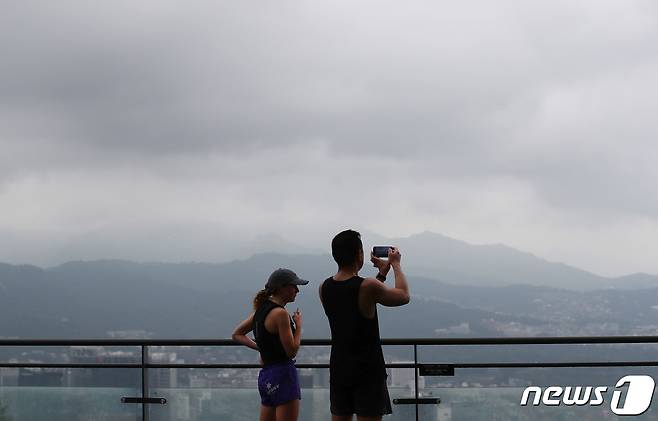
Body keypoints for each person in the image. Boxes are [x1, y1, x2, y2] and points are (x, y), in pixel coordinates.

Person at [320, 229, 410, 421]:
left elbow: (354, 303)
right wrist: (395, 265)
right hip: (367, 370)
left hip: (339, 368)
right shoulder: (367, 286)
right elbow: (403, 296)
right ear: (358, 254)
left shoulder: (324, 288)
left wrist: (381, 275)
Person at [232, 268, 308, 421]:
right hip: (283, 374)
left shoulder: (261, 310)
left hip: (266, 376)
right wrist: (299, 326)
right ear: (282, 288)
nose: (297, 290)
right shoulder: (280, 314)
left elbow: (237, 334)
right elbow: (291, 351)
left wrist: (263, 347)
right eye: (294, 286)